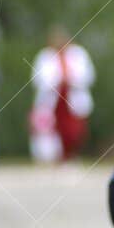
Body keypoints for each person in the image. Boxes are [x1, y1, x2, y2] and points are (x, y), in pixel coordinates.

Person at [29, 28, 95, 163]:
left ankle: (71, 155)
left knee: (74, 130)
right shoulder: (44, 56)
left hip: (73, 97)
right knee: (51, 130)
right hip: (53, 99)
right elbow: (37, 79)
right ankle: (56, 157)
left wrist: (71, 79)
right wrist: (56, 80)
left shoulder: (79, 54)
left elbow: (88, 75)